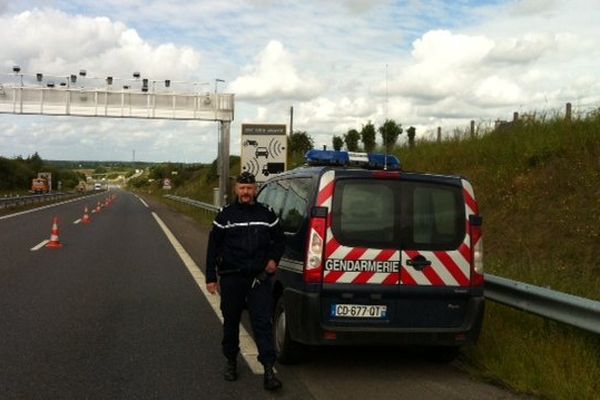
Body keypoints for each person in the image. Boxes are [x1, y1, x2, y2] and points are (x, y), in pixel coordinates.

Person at [205, 171, 285, 391]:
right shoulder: (225, 216)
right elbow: (213, 248)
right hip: (232, 279)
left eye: (249, 188)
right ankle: (231, 361)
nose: (246, 192)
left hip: (258, 279)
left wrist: (273, 260)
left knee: (262, 322)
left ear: (255, 190)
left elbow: (279, 240)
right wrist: (211, 278)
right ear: (236, 190)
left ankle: (269, 369)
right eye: (242, 188)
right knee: (231, 322)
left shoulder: (266, 214)